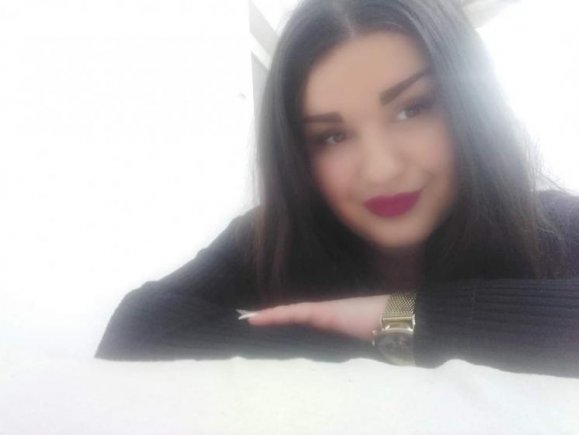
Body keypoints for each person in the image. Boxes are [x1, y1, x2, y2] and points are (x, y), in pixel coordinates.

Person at [95, 0, 579, 377]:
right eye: (332, 136)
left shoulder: (548, 226)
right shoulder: (271, 237)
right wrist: (353, 332)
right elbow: (135, 331)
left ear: (470, 107)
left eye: (412, 109)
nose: (382, 170)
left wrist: (395, 316)